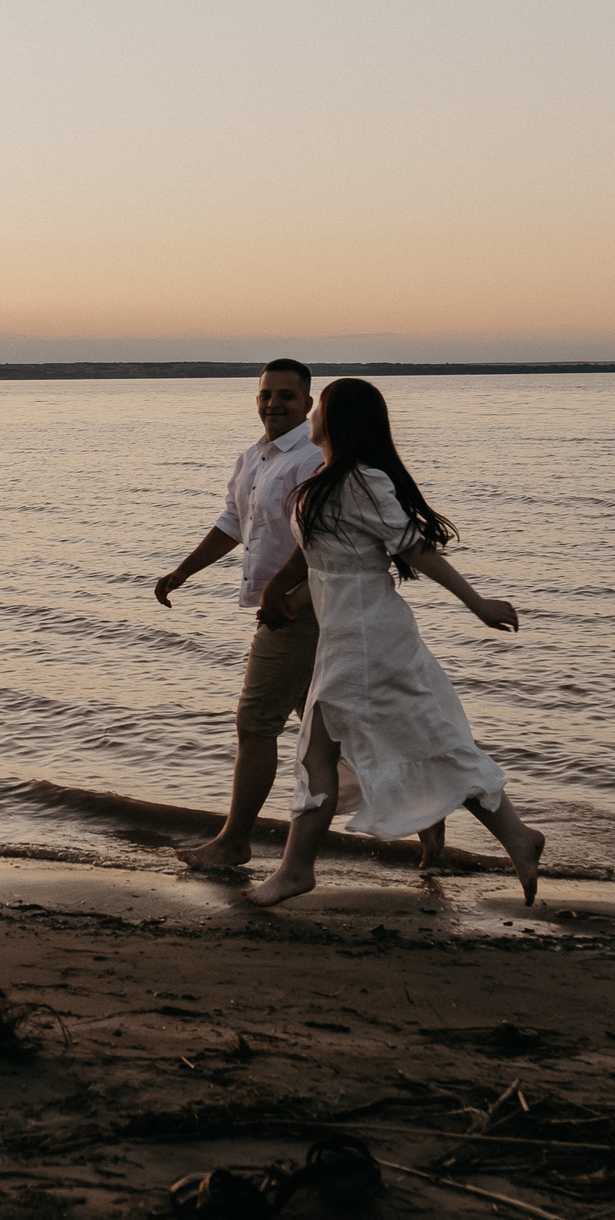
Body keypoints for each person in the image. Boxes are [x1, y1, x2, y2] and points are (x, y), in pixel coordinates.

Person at [245, 376, 546, 908]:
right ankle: (518, 838)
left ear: (337, 420)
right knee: (427, 739)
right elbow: (334, 568)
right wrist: (291, 601)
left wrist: (478, 604)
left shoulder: (361, 482)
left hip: (367, 641)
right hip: (352, 635)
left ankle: (295, 871)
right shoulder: (331, 477)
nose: (311, 414)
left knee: (323, 753)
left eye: (323, 407)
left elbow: (415, 550)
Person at [152, 359, 444, 873]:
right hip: (284, 609)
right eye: (266, 394)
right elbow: (232, 524)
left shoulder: (314, 459)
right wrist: (183, 571)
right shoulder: (253, 458)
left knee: (256, 721)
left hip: (303, 612)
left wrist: (287, 597)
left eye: (287, 396)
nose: (274, 404)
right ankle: (432, 816)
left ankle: (234, 842)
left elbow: (330, 542)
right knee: (346, 731)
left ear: (308, 404)